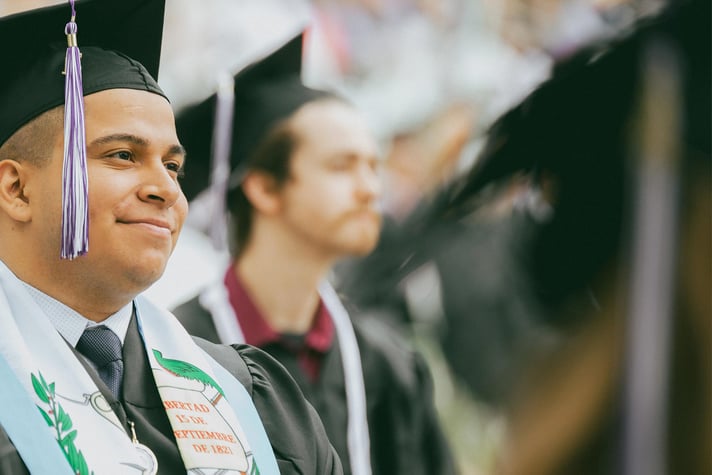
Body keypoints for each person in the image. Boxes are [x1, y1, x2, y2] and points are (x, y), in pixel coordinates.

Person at [0, 1, 343, 474]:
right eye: (122, 155)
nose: (166, 189)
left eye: (173, 166)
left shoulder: (250, 398)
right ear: (16, 189)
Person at [172, 32, 458, 475]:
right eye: (342, 167)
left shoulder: (387, 365)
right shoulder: (177, 355)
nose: (370, 190)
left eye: (373, 167)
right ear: (265, 187)